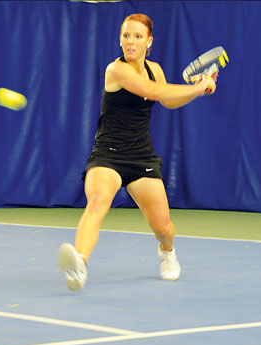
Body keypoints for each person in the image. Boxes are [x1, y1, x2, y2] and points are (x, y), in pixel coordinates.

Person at [58, 13, 217, 291]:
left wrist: (198, 91)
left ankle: (166, 253)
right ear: (120, 39)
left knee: (164, 228)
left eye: (137, 36)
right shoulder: (116, 70)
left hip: (141, 156)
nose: (131, 42)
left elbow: (167, 99)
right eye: (126, 36)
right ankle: (79, 265)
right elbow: (152, 92)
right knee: (97, 203)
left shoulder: (155, 69)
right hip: (107, 154)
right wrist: (198, 86)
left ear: (149, 41)